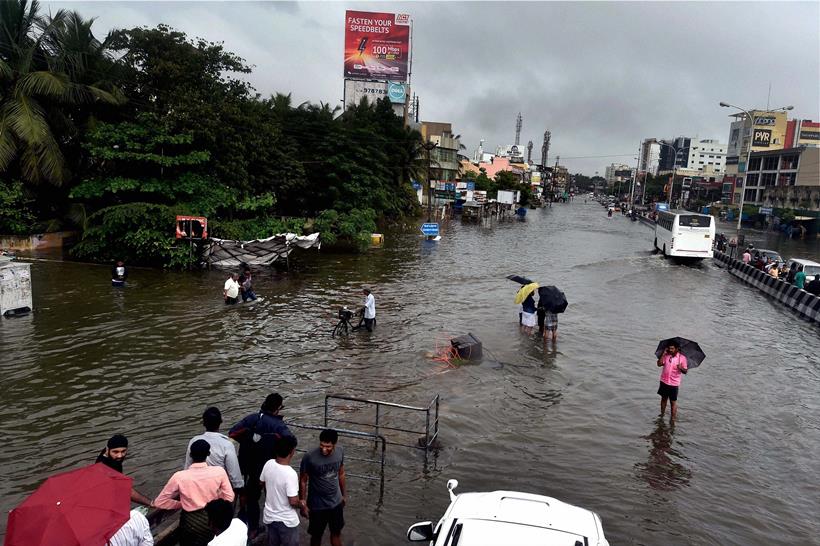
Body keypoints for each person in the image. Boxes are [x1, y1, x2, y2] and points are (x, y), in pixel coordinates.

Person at [229, 394, 293, 539]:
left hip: (248, 466)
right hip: (270, 468)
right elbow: (291, 441)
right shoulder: (278, 425)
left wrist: (247, 441)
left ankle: (252, 529)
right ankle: (275, 528)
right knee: (273, 496)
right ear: (278, 408)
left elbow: (232, 432)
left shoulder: (252, 418)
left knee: (251, 498)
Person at [154, 439, 235, 546]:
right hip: (212, 518)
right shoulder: (219, 471)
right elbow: (230, 497)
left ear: (191, 455)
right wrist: (217, 497)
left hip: (190, 522)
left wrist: (181, 504)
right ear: (208, 454)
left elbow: (160, 502)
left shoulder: (179, 476)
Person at [300, 429, 346, 546]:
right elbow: (303, 480)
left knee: (336, 533)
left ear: (334, 444)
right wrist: (303, 503)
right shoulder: (309, 456)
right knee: (316, 536)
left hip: (336, 503)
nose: (324, 449)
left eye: (328, 446)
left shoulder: (340, 451)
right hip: (317, 505)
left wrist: (343, 495)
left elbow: (341, 473)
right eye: (322, 445)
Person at [185, 407, 244, 493]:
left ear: (204, 423)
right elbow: (234, 475)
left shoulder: (194, 441)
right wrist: (240, 489)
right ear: (220, 422)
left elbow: (187, 468)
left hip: (197, 488)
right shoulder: (226, 444)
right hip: (218, 490)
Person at [260, 435, 303, 546]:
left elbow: (261, 482)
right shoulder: (290, 473)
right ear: (292, 451)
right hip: (286, 521)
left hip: (270, 516)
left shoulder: (268, 464)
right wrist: (302, 505)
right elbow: (293, 501)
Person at [96, 434, 154, 507]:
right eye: (115, 452)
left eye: (123, 451)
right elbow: (127, 491)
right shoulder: (104, 467)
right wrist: (151, 503)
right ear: (107, 449)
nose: (120, 455)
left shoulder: (110, 454)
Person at [656, 341, 688, 422]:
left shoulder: (682, 358)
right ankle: (662, 415)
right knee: (663, 399)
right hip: (664, 381)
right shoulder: (666, 355)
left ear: (677, 349)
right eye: (669, 348)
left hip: (674, 384)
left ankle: (673, 419)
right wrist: (663, 354)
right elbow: (659, 364)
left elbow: (685, 371)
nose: (670, 350)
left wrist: (681, 368)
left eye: (672, 348)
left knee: (673, 402)